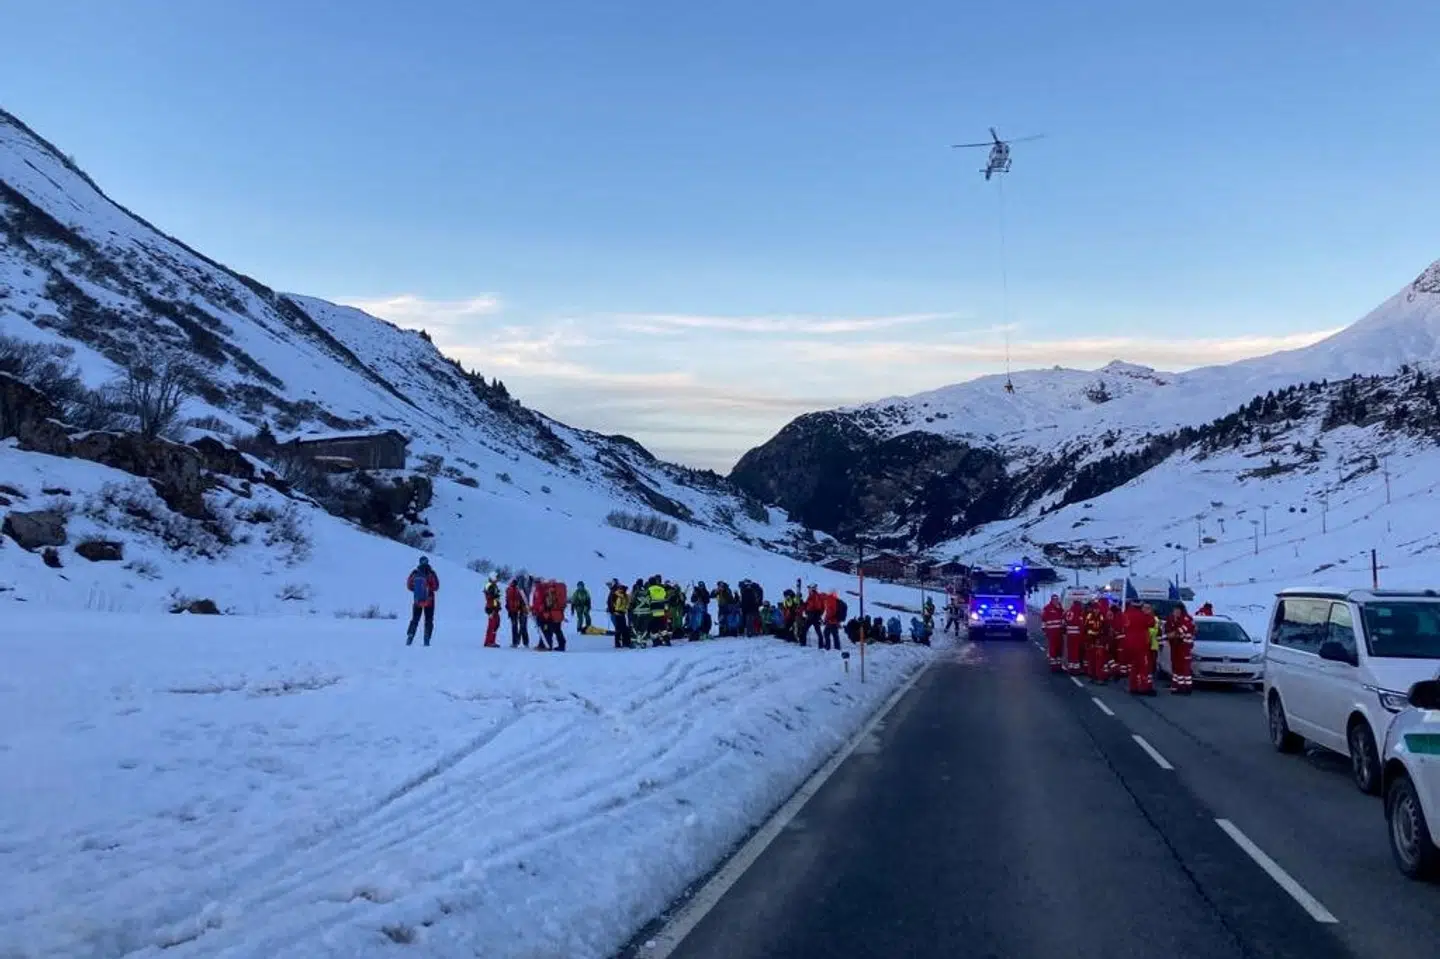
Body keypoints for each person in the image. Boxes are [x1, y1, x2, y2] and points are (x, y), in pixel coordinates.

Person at [1124, 601, 1158, 695]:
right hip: (1141, 645)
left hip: (1129, 645)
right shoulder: (1143, 616)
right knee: (1144, 667)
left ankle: (1133, 686)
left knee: (1134, 667)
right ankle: (1144, 688)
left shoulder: (1126, 614)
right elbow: (1152, 623)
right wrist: (1149, 613)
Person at [405, 556, 439, 646]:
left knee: (415, 619)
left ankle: (410, 637)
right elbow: (436, 587)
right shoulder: (431, 573)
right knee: (428, 619)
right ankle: (426, 639)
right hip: (430, 600)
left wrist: (416, 590)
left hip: (417, 600)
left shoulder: (415, 573)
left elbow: (409, 586)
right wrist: (429, 589)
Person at [1165, 603, 1196, 694]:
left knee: (1184, 669)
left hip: (1184, 647)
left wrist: (1174, 633)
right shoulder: (1172, 619)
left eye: (1177, 610)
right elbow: (1168, 629)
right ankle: (1176, 686)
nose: (1176, 612)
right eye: (1174, 610)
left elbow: (1184, 629)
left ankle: (1186, 687)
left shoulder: (1187, 619)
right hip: (1176, 646)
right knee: (1176, 667)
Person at [1084, 600, 1109, 684]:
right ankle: (1092, 676)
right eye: (1095, 609)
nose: (1096, 610)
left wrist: (1103, 640)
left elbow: (1105, 629)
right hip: (1091, 641)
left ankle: (1100, 677)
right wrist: (1088, 638)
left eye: (1097, 609)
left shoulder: (1102, 616)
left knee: (1099, 660)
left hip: (1100, 641)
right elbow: (1086, 627)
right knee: (1091, 660)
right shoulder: (1089, 616)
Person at [1041, 594, 1066, 672]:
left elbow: (1063, 619)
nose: (1056, 601)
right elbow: (1043, 620)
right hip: (1051, 632)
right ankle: (1053, 666)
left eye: (1057, 599)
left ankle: (1059, 665)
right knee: (1053, 649)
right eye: (1054, 599)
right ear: (1051, 600)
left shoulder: (1060, 608)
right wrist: (1045, 630)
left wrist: (1064, 629)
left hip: (1059, 632)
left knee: (1060, 648)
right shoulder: (1047, 608)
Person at [608, 580, 633, 649]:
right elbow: (612, 603)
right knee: (620, 629)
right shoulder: (618, 595)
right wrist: (613, 610)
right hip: (618, 613)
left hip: (620, 613)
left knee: (622, 628)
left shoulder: (620, 595)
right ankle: (620, 643)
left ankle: (623, 642)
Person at [505, 578, 529, 647]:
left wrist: (508, 608)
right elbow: (522, 600)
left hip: (513, 611)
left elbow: (507, 601)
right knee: (522, 626)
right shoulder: (519, 590)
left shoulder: (509, 589)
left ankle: (516, 642)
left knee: (516, 626)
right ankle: (524, 642)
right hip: (517, 610)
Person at [631, 578, 654, 648]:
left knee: (635, 628)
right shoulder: (648, 592)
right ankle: (643, 642)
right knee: (644, 628)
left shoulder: (636, 592)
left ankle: (634, 642)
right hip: (647, 613)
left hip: (637, 613)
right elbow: (650, 602)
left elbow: (632, 602)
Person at [1064, 598, 1084, 673]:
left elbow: (1064, 621)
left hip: (1069, 634)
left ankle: (1070, 667)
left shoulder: (1068, 611)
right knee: (1075, 651)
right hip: (1076, 635)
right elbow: (1081, 624)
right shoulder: (1078, 612)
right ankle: (1076, 669)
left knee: (1070, 651)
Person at [483, 573, 502, 648]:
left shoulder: (494, 586)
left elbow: (495, 598)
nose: (497, 579)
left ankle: (492, 641)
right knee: (492, 625)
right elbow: (489, 597)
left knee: (496, 625)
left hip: (495, 608)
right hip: (491, 608)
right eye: (496, 577)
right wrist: (495, 596)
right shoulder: (489, 585)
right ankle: (488, 642)